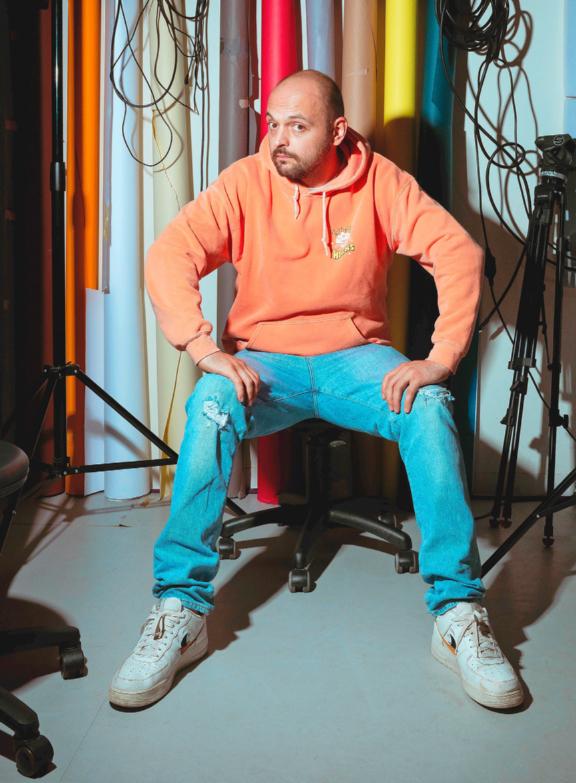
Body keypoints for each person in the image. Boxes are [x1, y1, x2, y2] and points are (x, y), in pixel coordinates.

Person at [109, 70, 523, 711]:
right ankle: (179, 612)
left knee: (429, 407)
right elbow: (170, 253)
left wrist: (439, 360)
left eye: (297, 127)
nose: (278, 138)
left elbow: (458, 251)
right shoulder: (246, 183)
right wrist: (204, 349)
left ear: (336, 131)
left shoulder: (380, 182)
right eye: (272, 123)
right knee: (211, 404)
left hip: (355, 361)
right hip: (265, 364)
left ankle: (458, 613)